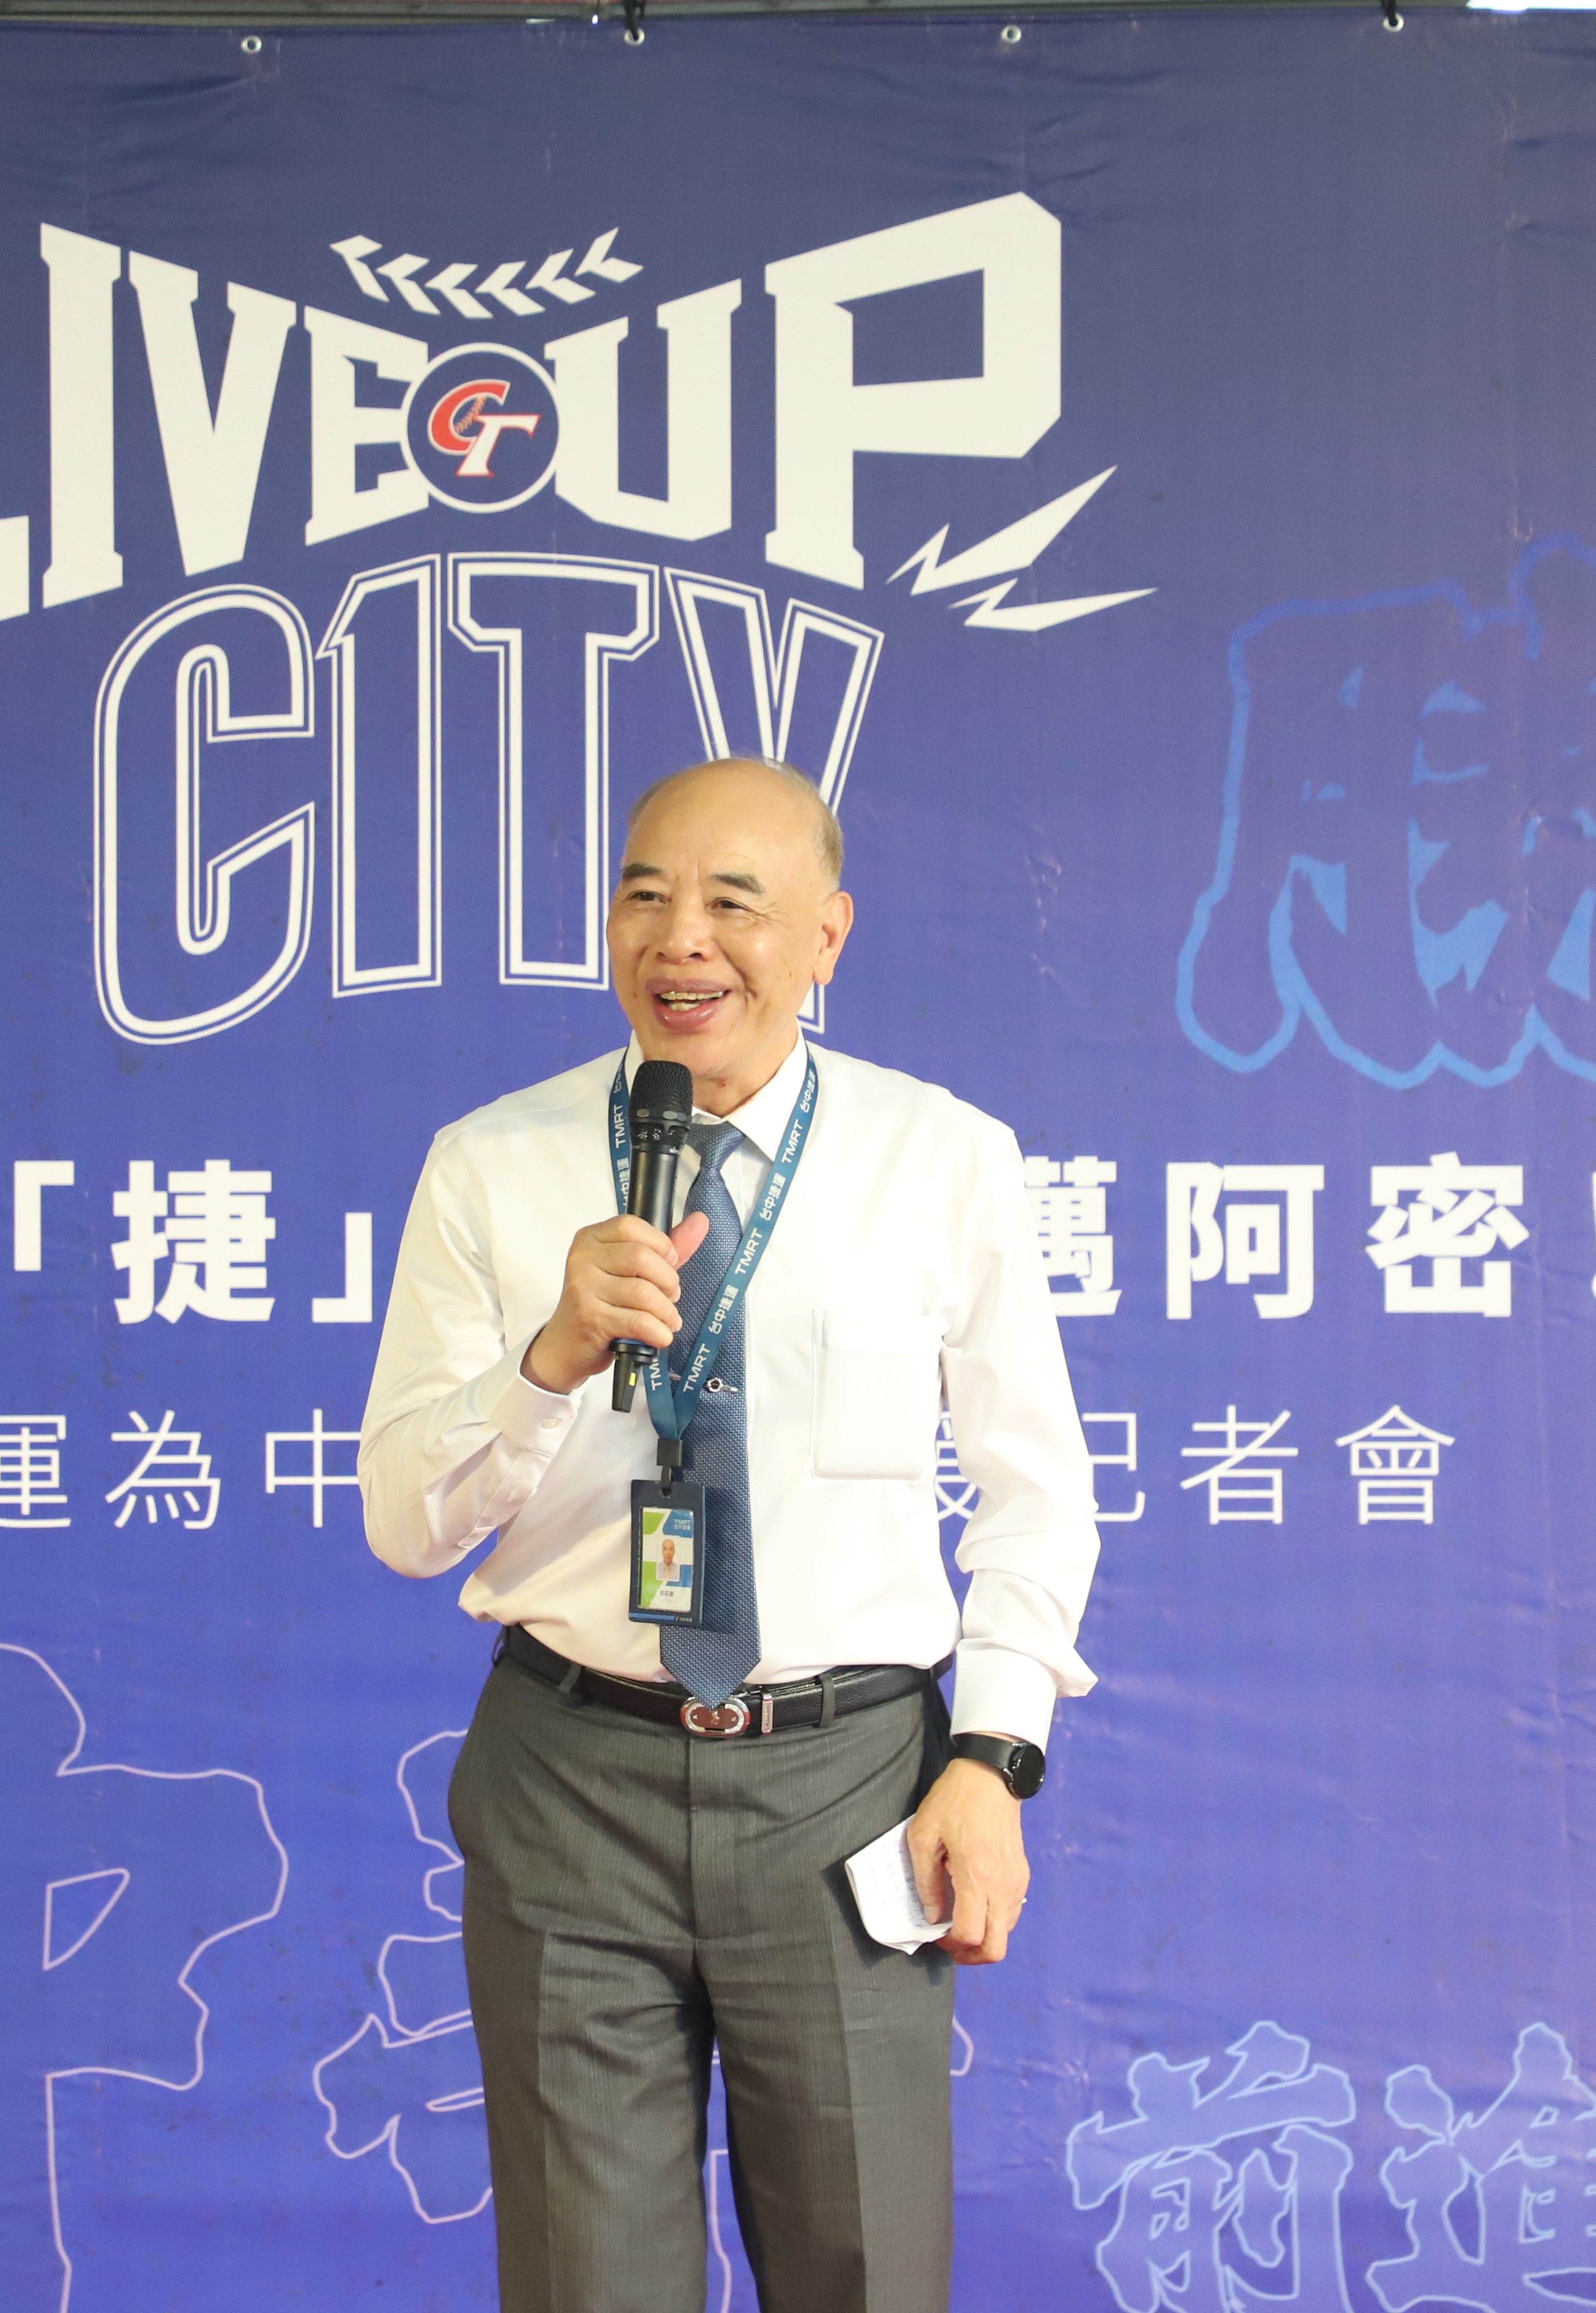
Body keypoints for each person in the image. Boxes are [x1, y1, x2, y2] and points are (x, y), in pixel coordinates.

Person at [359, 755, 1102, 2312]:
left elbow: (1035, 1487)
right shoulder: (492, 1164)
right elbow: (406, 1523)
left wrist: (994, 1755)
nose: (679, 939)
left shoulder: (941, 1158)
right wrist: (548, 1360)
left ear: (827, 936)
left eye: (731, 903)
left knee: (864, 2273)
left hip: (846, 1789)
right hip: (572, 1786)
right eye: (644, 895)